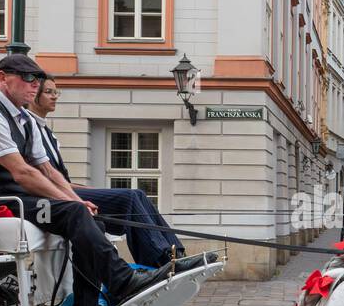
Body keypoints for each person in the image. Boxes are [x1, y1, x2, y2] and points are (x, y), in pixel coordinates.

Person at [0, 54, 169, 306]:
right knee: (75, 213)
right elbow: (22, 173)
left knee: (90, 218)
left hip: (24, 198)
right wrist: (74, 204)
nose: (34, 84)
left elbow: (47, 170)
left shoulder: (26, 120)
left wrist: (77, 199)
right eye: (27, 78)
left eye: (38, 79)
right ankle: (122, 280)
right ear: (2, 78)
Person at [29, 77, 209, 270]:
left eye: (56, 92)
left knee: (138, 194)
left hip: (63, 192)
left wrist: (90, 190)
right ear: (33, 95)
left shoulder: (47, 132)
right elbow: (43, 177)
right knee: (129, 198)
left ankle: (177, 253)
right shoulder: (30, 127)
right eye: (49, 92)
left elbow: (61, 179)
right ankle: (162, 260)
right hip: (50, 198)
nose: (55, 97)